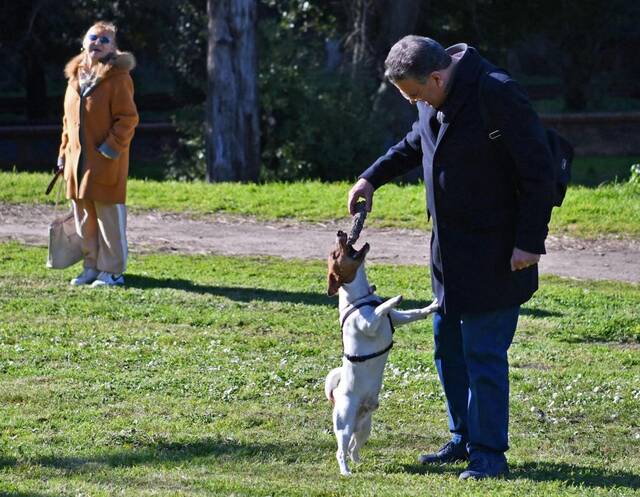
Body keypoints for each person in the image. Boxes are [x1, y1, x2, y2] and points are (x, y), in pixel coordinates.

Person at [348, 36, 555, 480]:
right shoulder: (433, 96)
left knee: (482, 352)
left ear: (437, 77)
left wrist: (530, 241)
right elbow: (414, 143)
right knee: (448, 347)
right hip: (449, 253)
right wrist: (371, 178)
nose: (413, 103)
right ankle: (462, 438)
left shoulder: (496, 93)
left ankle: (488, 455)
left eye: (415, 94)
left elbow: (541, 170)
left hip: (499, 251)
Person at [57, 21, 139, 287]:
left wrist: (110, 149)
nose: (98, 43)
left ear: (113, 48)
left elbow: (128, 119)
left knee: (108, 218)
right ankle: (91, 266)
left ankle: (112, 270)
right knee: (83, 219)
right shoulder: (75, 77)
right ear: (84, 42)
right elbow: (67, 122)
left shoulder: (119, 78)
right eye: (94, 37)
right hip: (76, 163)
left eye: (105, 40)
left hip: (105, 161)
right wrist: (63, 155)